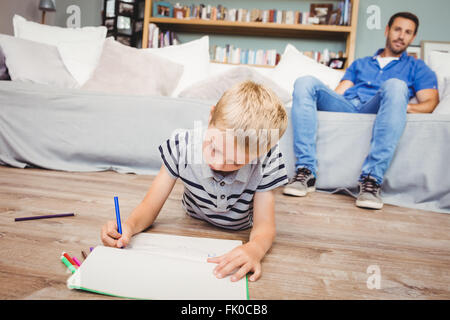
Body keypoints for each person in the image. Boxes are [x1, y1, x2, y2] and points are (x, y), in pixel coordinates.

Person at [101, 81, 289, 282]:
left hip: (240, 227)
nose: (216, 163)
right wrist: (129, 226)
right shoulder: (181, 146)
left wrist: (255, 248)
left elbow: (264, 225)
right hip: (192, 218)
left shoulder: (268, 160)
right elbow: (149, 205)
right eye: (213, 147)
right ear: (211, 116)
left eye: (235, 162)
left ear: (260, 153)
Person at [283, 12, 439, 209]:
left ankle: (371, 180)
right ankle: (306, 171)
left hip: (379, 105)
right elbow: (340, 92)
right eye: (398, 29)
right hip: (348, 105)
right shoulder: (361, 63)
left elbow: (430, 103)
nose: (401, 36)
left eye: (408, 32)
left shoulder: (417, 67)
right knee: (305, 82)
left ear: (413, 37)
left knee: (397, 86)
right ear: (387, 30)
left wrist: (396, 105)